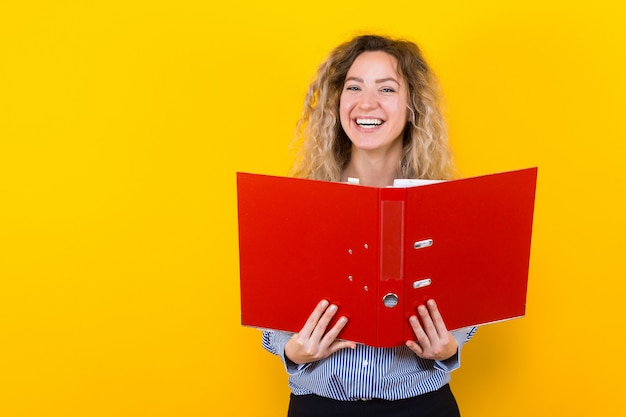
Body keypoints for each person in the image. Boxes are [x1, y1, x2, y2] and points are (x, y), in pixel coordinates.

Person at [262, 34, 477, 417]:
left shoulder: (446, 205)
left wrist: (449, 348)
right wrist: (292, 352)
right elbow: (272, 315)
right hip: (318, 407)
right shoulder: (300, 202)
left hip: (421, 407)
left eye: (387, 88)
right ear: (338, 102)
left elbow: (470, 305)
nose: (366, 103)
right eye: (354, 87)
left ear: (412, 107)